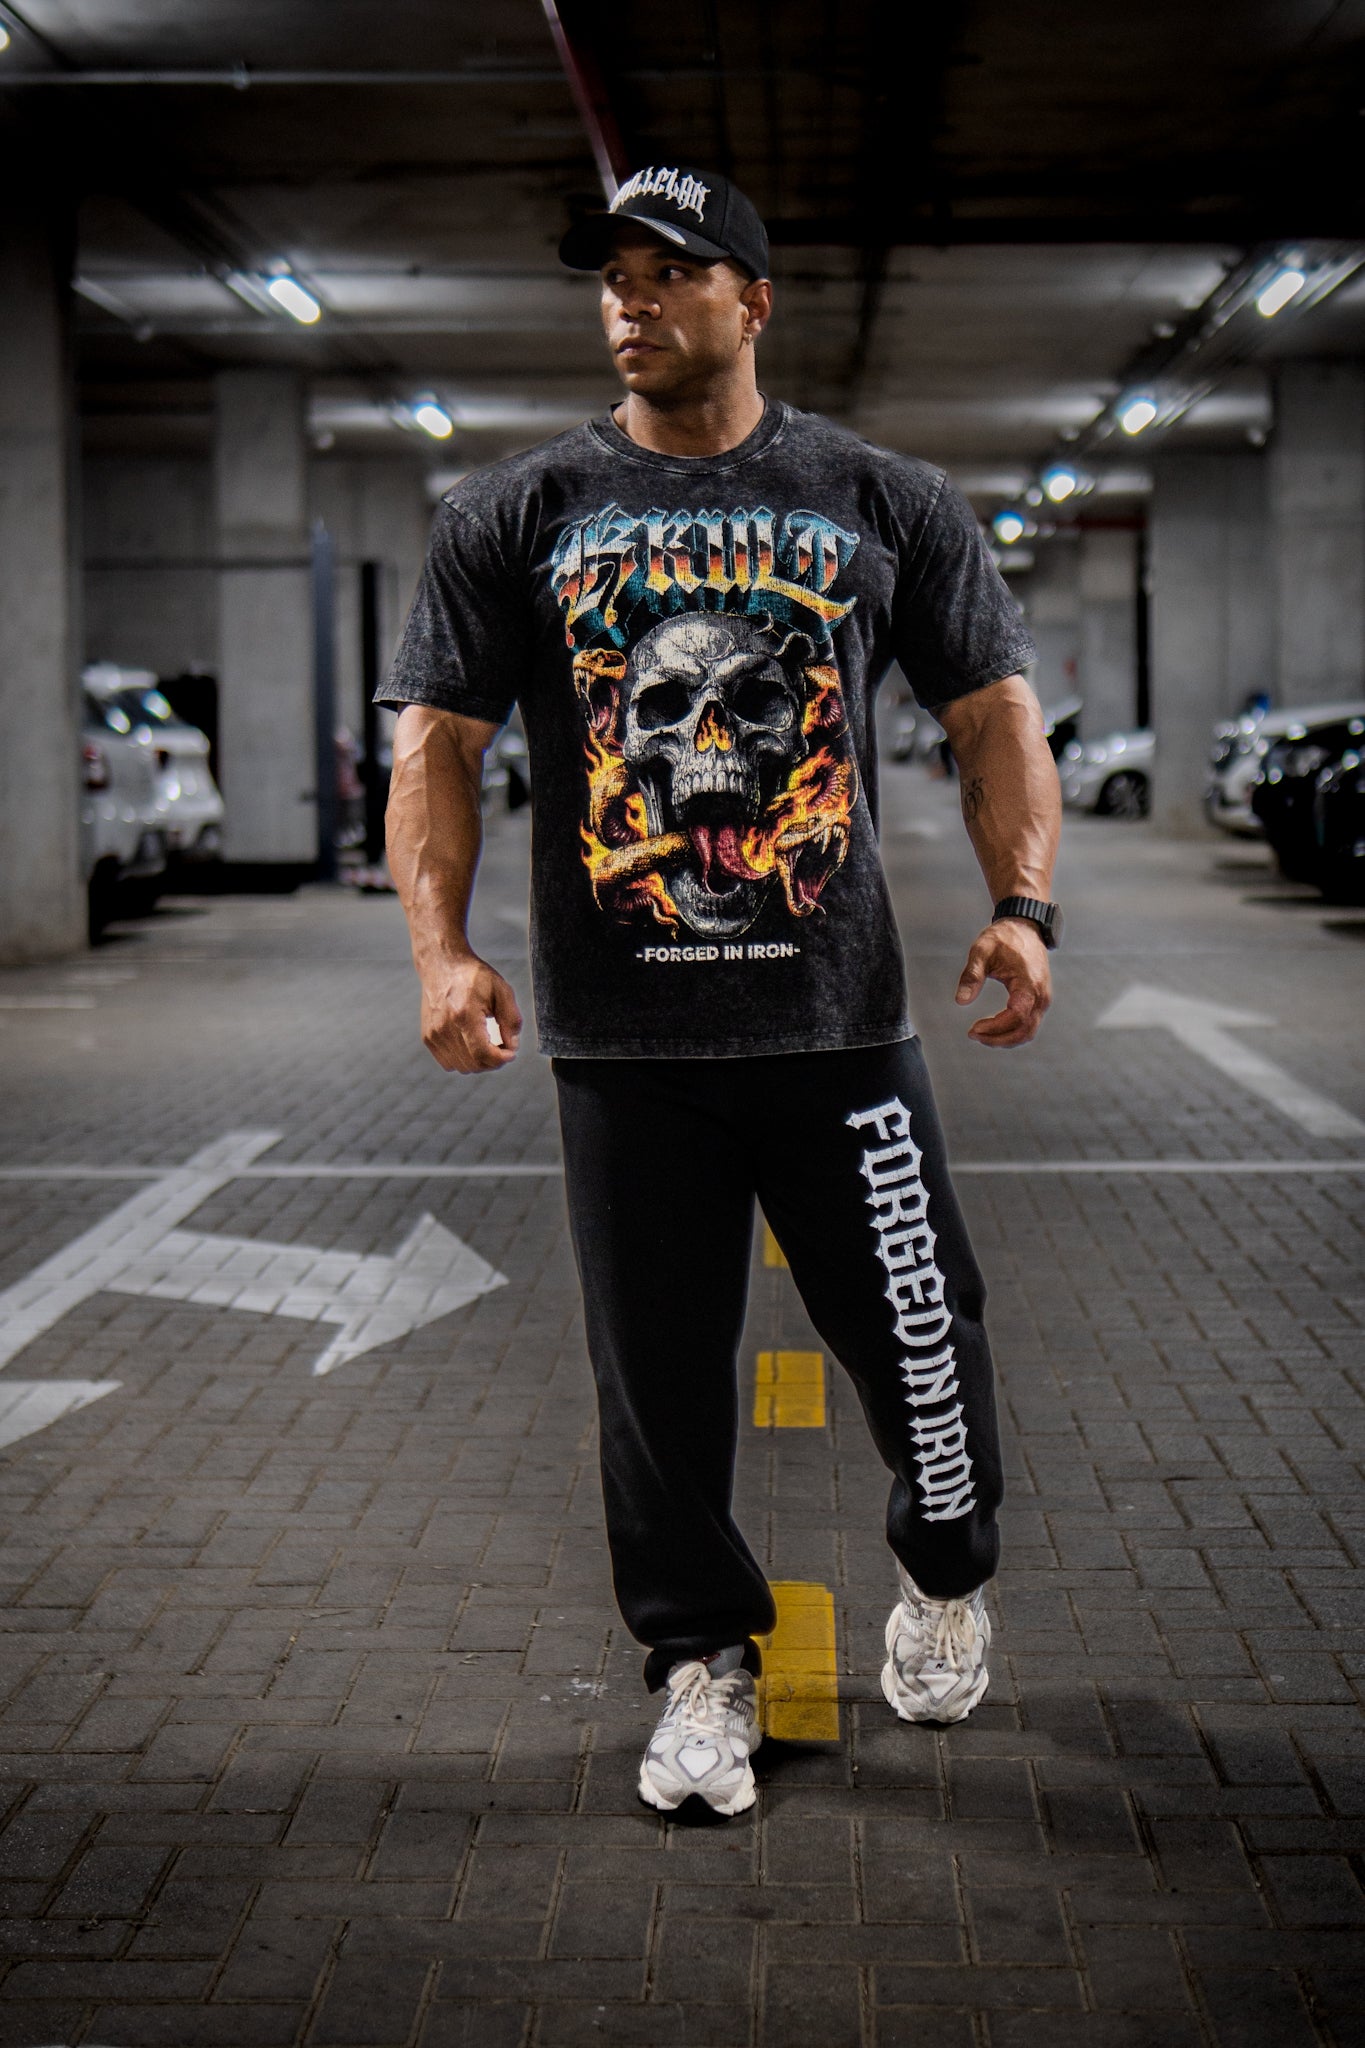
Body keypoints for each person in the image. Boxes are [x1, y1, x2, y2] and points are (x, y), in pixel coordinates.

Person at [379, 166, 1062, 1819]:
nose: (629, 299)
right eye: (610, 274)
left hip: (842, 1031)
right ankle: (700, 1663)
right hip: (627, 1046)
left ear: (750, 301)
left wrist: (1025, 907)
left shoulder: (881, 497)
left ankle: (945, 1571)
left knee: (923, 1345)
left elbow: (990, 713)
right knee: (655, 1394)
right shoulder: (514, 511)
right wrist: (439, 949)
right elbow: (438, 742)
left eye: (667, 271)